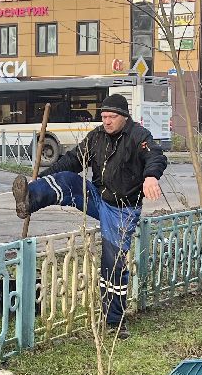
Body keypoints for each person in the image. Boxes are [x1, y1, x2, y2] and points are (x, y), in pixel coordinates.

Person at [13, 94, 166, 338]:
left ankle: (115, 322)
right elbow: (74, 160)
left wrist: (151, 176)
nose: (106, 121)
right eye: (104, 117)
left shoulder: (139, 136)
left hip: (122, 209)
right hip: (97, 197)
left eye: (111, 117)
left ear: (124, 117)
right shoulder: (97, 136)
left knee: (112, 264)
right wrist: (42, 178)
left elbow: (156, 156)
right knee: (67, 180)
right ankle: (30, 198)